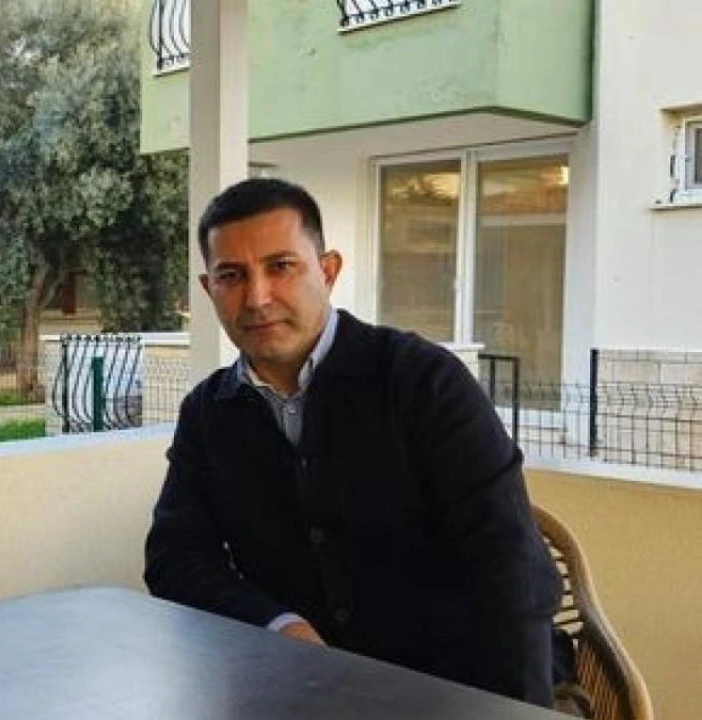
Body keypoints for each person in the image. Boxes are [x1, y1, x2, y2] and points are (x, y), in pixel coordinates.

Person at [144, 177, 560, 707]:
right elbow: (176, 556)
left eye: (280, 266)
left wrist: (516, 711)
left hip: (453, 685)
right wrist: (278, 625)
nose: (257, 297)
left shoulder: (421, 382)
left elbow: (510, 566)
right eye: (232, 275)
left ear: (328, 270)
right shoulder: (208, 413)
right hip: (300, 686)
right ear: (209, 290)